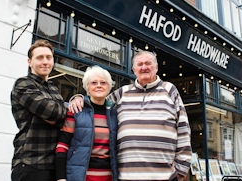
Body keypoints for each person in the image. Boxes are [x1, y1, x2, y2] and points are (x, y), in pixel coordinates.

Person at [70, 51, 192, 181]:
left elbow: (183, 128)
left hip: (164, 176)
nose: (144, 67)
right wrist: (79, 98)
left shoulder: (169, 90)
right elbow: (98, 100)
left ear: (156, 67)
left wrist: (180, 170)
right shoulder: (123, 93)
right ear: (134, 70)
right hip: (126, 177)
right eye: (139, 64)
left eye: (148, 63)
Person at [10, 39, 67, 181]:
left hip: (53, 166)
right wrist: (57, 115)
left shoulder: (53, 89)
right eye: (39, 58)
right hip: (31, 164)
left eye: (48, 57)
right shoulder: (23, 84)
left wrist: (57, 116)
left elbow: (63, 118)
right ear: (29, 62)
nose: (45, 61)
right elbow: (54, 113)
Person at [55, 65, 118, 181]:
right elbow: (62, 146)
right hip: (79, 177)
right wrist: (61, 177)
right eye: (94, 83)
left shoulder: (114, 114)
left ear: (108, 87)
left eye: (103, 83)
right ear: (87, 87)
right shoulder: (76, 110)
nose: (99, 85)